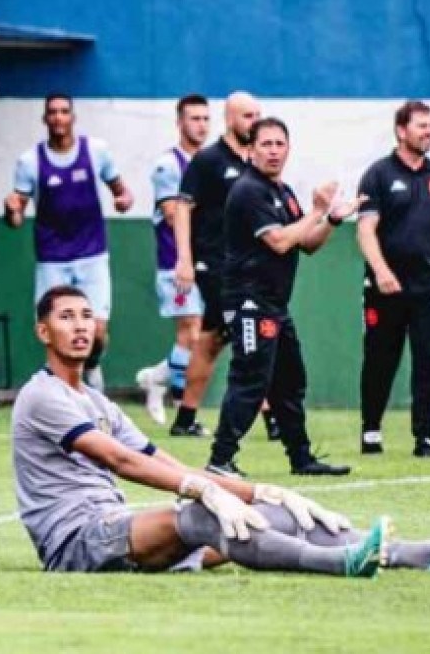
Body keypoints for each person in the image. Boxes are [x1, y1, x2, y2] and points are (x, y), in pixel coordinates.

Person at [12, 284, 430, 576]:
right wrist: (203, 492)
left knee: (267, 513)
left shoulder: (95, 400)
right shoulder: (42, 395)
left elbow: (165, 462)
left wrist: (260, 490)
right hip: (77, 542)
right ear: (43, 332)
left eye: (86, 317)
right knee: (205, 517)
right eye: (66, 317)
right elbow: (120, 461)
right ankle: (341, 564)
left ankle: (428, 553)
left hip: (117, 531)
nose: (80, 326)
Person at [207, 118, 360, 477]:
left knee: (289, 379)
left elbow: (306, 243)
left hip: (274, 304)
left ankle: (301, 458)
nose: (274, 151)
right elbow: (279, 241)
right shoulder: (248, 190)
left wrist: (332, 220)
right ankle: (219, 460)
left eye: (280, 144)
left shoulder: (283, 191)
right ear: (250, 149)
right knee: (250, 379)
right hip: (248, 301)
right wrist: (318, 211)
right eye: (266, 144)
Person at [355, 101, 430, 458]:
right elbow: (365, 229)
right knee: (380, 359)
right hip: (386, 288)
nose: (429, 132)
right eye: (422, 126)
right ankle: (371, 430)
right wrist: (381, 271)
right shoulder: (378, 174)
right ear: (401, 131)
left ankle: (426, 437)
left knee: (429, 361)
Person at [4, 94, 133, 389]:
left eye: (64, 111)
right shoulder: (29, 162)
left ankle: (92, 367)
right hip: (52, 259)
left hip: (92, 254)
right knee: (53, 329)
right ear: (45, 119)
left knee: (97, 330)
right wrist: (11, 210)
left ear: (73, 117)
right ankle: (63, 388)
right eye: (53, 112)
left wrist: (123, 200)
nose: (59, 117)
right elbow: (16, 220)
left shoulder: (97, 151)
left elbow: (122, 193)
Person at [169, 91, 275, 439]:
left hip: (251, 265)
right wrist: (184, 259)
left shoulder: (258, 160)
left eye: (258, 114)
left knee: (212, 339)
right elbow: (183, 207)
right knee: (249, 332)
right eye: (248, 115)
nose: (255, 121)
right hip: (213, 263)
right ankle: (272, 417)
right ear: (230, 119)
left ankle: (185, 417)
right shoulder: (209, 159)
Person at [134, 94, 210, 427]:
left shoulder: (209, 162)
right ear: (179, 122)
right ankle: (184, 412)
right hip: (175, 263)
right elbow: (171, 213)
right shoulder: (169, 165)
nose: (201, 125)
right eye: (194, 118)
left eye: (206, 119)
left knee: (203, 336)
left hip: (207, 264)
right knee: (190, 332)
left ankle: (156, 378)